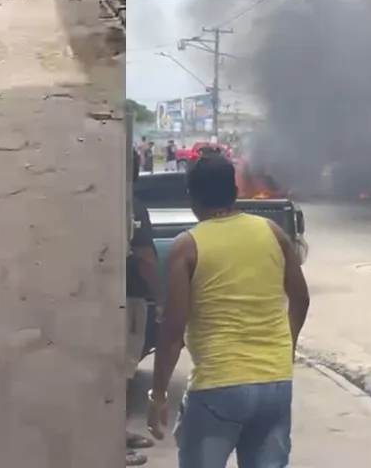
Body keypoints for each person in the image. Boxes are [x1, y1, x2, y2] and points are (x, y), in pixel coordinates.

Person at [147, 154, 310, 468]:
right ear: (235, 192)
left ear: (191, 198)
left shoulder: (187, 246)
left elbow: (172, 330)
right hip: (275, 384)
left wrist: (158, 395)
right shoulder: (273, 233)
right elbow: (301, 299)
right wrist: (285, 347)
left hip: (217, 388)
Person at [126, 149, 160, 466]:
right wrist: (160, 299)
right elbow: (147, 260)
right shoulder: (132, 207)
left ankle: (118, 434)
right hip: (130, 299)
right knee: (121, 373)